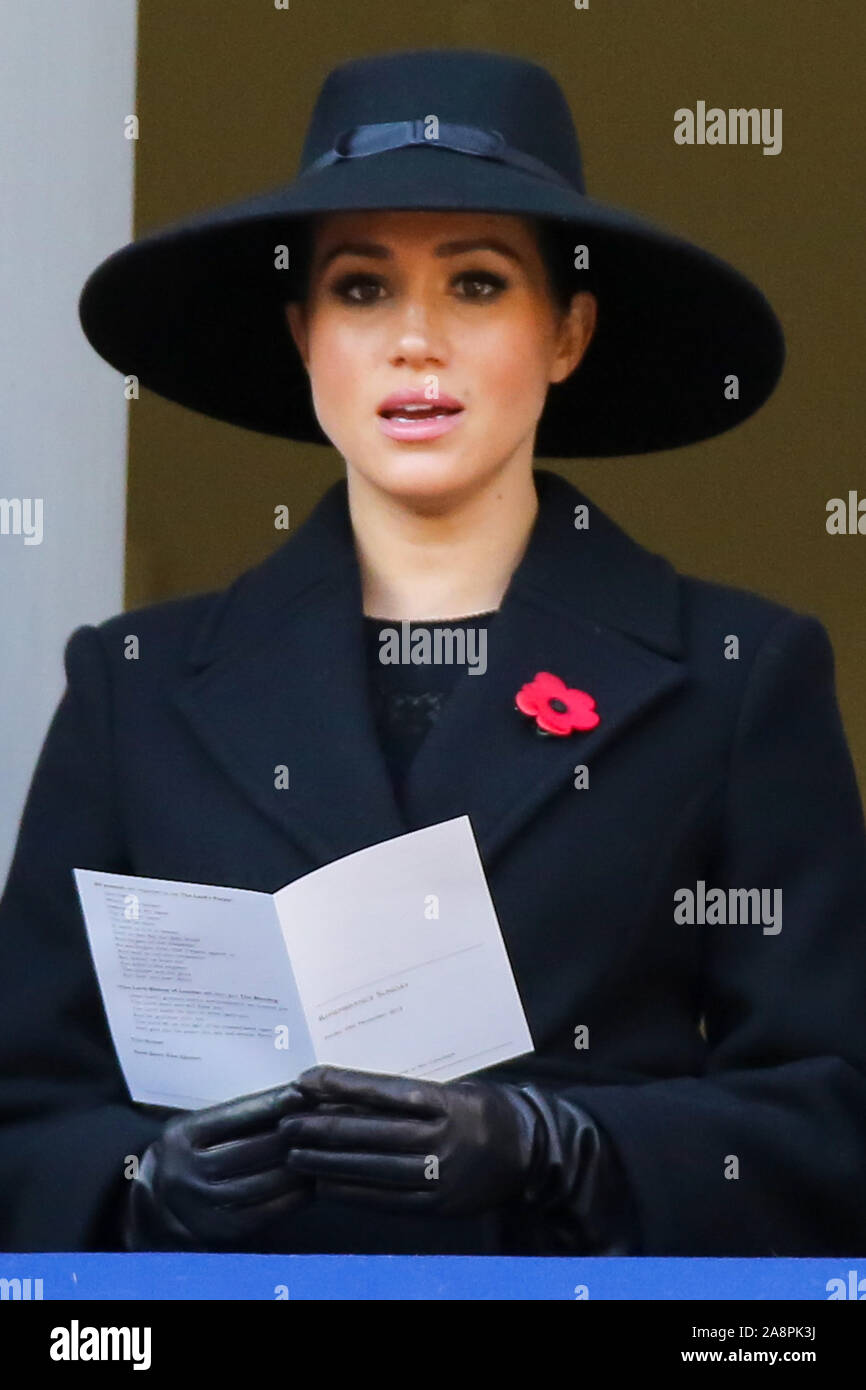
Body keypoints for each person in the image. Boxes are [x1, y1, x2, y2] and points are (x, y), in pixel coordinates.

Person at [1, 47, 865, 1257]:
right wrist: (144, 1183)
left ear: (565, 331)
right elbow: (24, 1112)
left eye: (474, 285)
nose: (414, 340)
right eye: (360, 290)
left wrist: (557, 1146)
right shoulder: (130, 687)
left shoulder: (738, 676)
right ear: (302, 333)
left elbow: (828, 1119)